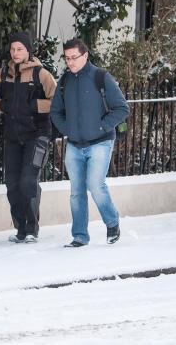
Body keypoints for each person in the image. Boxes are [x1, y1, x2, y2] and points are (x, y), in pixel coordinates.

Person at [50, 38, 128, 247]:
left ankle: (112, 223)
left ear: (85, 55)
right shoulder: (65, 81)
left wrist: (102, 127)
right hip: (74, 145)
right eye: (67, 58)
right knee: (76, 192)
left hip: (100, 142)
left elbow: (122, 108)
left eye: (74, 57)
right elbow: (55, 111)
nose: (70, 62)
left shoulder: (101, 77)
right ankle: (80, 236)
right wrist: (67, 130)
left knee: (95, 185)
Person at [0, 31, 57, 243]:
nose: (15, 53)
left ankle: (32, 229)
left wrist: (33, 105)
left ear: (28, 51)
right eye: (12, 49)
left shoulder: (41, 74)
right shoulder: (1, 75)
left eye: (20, 49)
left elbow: (56, 102)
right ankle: (21, 229)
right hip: (13, 137)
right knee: (12, 184)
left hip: (37, 135)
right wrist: (5, 106)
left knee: (28, 181)